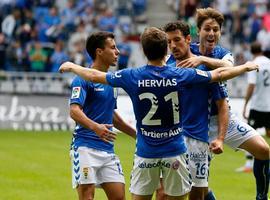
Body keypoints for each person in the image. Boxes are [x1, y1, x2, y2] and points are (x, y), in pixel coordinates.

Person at [59, 27, 259, 200]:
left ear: (144, 51)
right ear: (166, 51)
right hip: (175, 150)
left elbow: (95, 75)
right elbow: (219, 74)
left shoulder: (132, 76)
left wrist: (72, 66)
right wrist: (245, 67)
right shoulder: (179, 74)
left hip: (146, 152)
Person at [179, 7, 270, 200]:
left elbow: (229, 67)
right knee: (200, 189)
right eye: (207, 29)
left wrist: (201, 59)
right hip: (196, 123)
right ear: (198, 31)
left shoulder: (223, 53)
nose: (212, 33)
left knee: (263, 150)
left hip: (224, 118)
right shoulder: (187, 50)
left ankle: (261, 197)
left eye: (216, 29)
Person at [155, 20, 229, 200]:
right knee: (163, 193)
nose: (173, 45)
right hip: (171, 139)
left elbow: (222, 104)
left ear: (188, 39)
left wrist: (220, 138)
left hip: (197, 141)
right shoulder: (166, 70)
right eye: (169, 42)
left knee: (197, 194)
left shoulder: (205, 69)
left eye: (177, 40)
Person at [68, 31, 136, 200]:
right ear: (99, 51)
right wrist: (96, 128)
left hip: (107, 150)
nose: (118, 52)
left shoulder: (111, 81)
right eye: (113, 48)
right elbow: (74, 111)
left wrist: (137, 135)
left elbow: (111, 115)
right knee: (87, 197)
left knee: (119, 197)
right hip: (84, 148)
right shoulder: (82, 79)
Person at [240, 41, 270, 173]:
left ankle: (248, 164)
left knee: (250, 134)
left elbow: (251, 85)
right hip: (269, 106)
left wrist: (245, 104)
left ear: (251, 52)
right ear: (262, 51)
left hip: (257, 106)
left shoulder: (253, 64)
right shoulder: (269, 62)